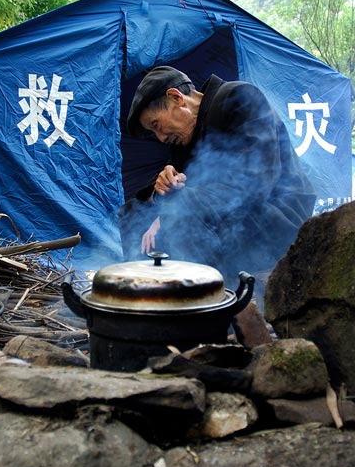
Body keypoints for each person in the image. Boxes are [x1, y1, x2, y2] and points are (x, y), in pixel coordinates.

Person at [120, 66, 316, 305]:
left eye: (157, 125)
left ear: (176, 98)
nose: (161, 138)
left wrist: (173, 207)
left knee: (182, 215)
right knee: (131, 212)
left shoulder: (239, 98)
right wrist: (161, 191)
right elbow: (175, 189)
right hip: (223, 215)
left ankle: (203, 302)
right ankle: (146, 295)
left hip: (275, 215)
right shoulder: (184, 139)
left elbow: (251, 187)